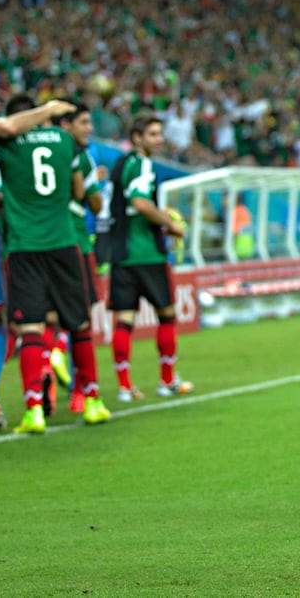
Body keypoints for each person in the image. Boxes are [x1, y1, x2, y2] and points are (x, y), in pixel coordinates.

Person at [0, 93, 111, 433]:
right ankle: (92, 401)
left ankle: (33, 409)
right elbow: (79, 192)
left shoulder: (3, 145)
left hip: (23, 247)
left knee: (30, 329)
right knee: (78, 325)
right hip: (63, 241)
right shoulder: (66, 141)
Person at [108, 114, 193, 402]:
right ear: (137, 138)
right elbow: (140, 202)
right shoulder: (143, 164)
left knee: (124, 320)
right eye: (153, 134)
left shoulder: (120, 165)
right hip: (146, 252)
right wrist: (170, 224)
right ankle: (167, 380)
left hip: (120, 253)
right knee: (167, 316)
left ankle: (124, 387)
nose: (159, 139)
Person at [50, 100, 103, 414]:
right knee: (80, 319)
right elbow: (93, 203)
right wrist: (94, 181)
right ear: (66, 125)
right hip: (76, 243)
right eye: (83, 122)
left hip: (40, 243)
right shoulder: (79, 157)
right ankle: (81, 394)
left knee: (47, 316)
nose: (89, 128)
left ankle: (47, 395)